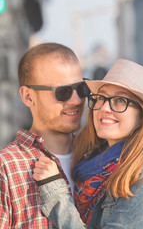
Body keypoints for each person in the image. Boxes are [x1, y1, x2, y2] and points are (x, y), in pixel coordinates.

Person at [33, 59, 143, 229]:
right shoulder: (89, 159)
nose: (104, 108)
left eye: (120, 100)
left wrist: (56, 194)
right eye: (101, 97)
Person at [0, 42, 90, 228]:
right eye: (62, 92)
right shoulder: (6, 168)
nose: (76, 100)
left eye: (81, 88)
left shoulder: (97, 157)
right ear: (28, 97)